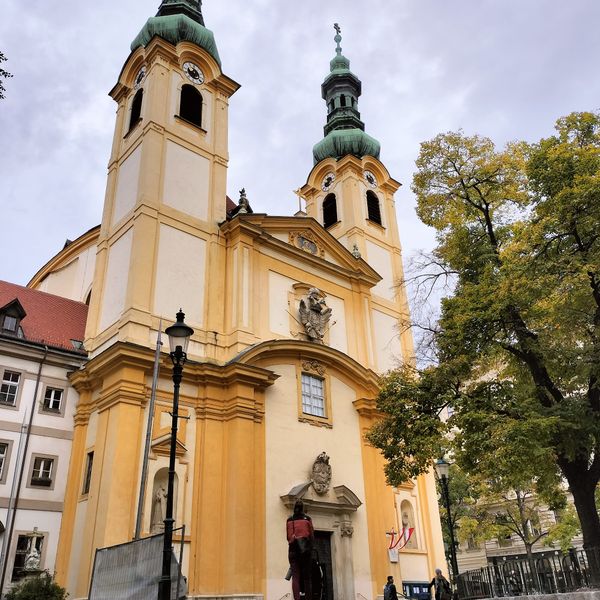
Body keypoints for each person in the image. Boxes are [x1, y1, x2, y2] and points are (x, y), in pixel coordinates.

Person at [287, 499, 314, 600]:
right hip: (305, 551)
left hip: (293, 551)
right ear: (303, 508)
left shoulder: (289, 520)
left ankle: (297, 598)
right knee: (307, 578)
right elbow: (311, 536)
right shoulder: (307, 519)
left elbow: (288, 537)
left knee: (295, 577)